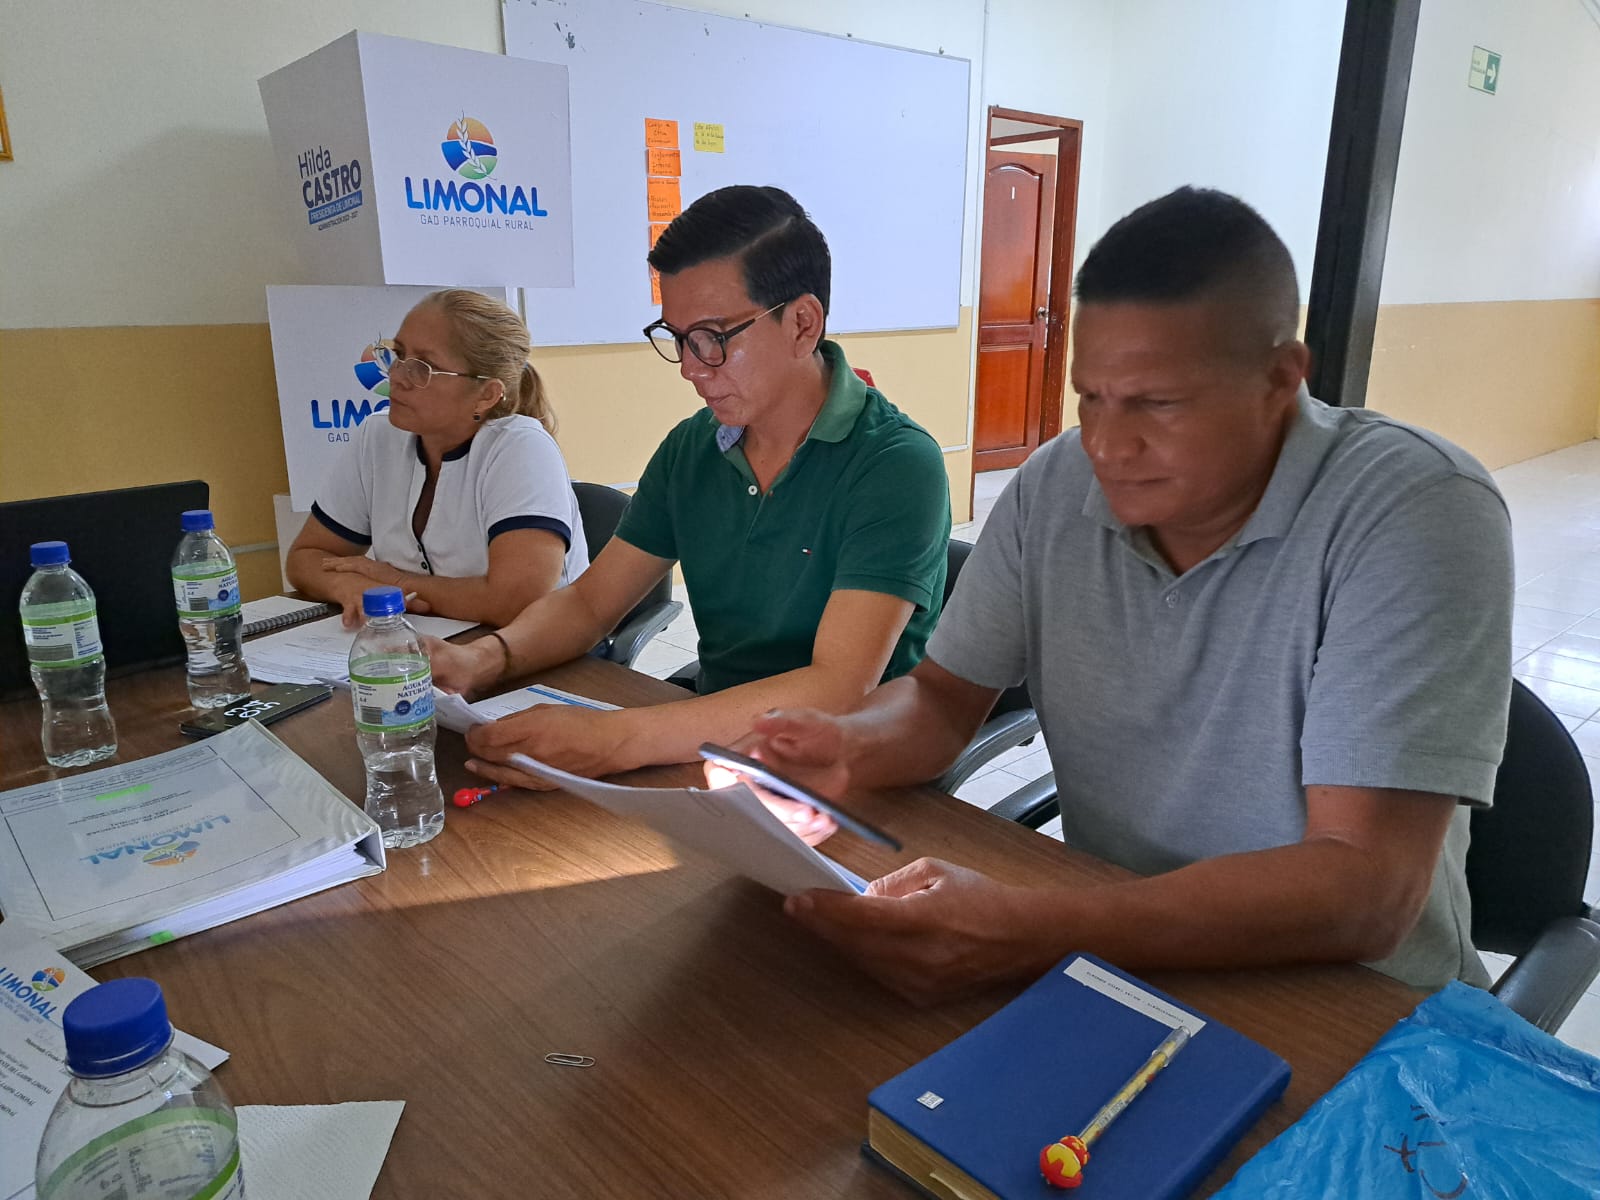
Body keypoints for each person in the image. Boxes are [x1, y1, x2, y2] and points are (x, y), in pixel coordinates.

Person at [733, 187, 1514, 1004]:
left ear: (1281, 379)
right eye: (1091, 398)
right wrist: (849, 745)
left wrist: (1036, 930)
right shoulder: (1054, 487)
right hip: (1122, 947)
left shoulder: (1415, 508)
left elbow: (1365, 890)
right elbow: (941, 700)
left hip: (1356, 1006)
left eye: (1157, 404)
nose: (1107, 446)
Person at [429, 185, 950, 783]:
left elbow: (838, 685)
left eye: (713, 338)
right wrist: (482, 659)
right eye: (678, 337)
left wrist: (616, 740)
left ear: (802, 324)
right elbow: (590, 603)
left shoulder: (895, 464)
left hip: (854, 773)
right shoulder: (693, 449)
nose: (690, 368)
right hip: (717, 748)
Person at [286, 289, 588, 628]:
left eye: (423, 368)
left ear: (486, 394)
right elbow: (305, 558)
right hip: (422, 643)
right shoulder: (378, 435)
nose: (396, 376)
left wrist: (394, 582)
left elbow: (515, 602)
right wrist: (349, 586)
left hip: (536, 649)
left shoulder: (521, 448)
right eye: (398, 355)